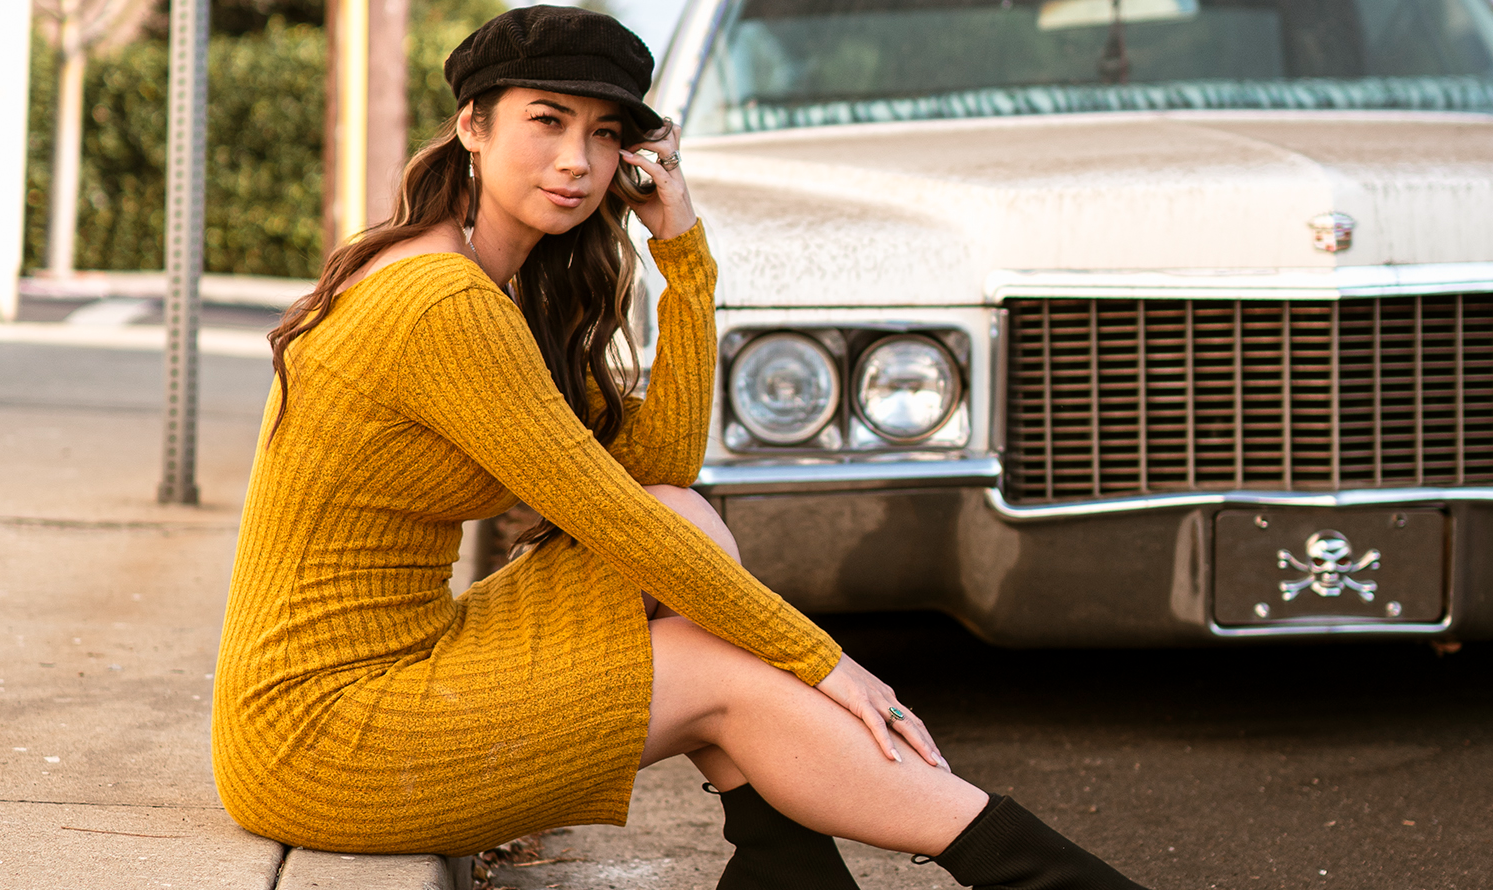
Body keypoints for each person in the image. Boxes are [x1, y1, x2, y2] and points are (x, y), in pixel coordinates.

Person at [211, 6, 1153, 889]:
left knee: (681, 520)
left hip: (394, 666)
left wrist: (685, 258)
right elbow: (607, 514)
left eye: (606, 134)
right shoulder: (440, 302)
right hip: (323, 736)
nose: (577, 160)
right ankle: (1042, 873)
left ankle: (788, 869)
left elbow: (656, 474)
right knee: (721, 671)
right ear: (472, 127)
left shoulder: (490, 283)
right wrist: (827, 662)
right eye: (546, 121)